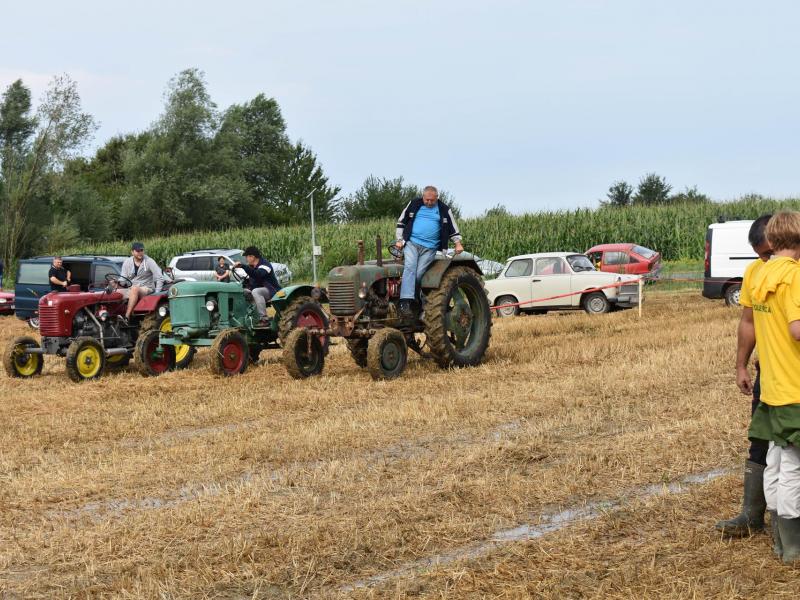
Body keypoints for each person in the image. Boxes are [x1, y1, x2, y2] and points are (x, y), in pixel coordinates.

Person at [746, 211, 800, 564]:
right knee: (794, 466)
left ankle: (780, 543)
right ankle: (794, 548)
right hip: (795, 387)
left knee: (776, 463)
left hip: (771, 387)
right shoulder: (794, 277)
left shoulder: (761, 273)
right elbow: (797, 329)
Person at [716, 215, 773, 537]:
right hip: (769, 373)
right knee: (760, 443)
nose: (766, 261)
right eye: (761, 255)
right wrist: (741, 364)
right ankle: (751, 516)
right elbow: (748, 322)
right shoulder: (755, 273)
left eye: (769, 253)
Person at [394, 185, 463, 316]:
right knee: (410, 267)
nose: (429, 202)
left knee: (419, 273)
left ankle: (417, 300)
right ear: (423, 197)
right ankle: (405, 302)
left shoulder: (443, 209)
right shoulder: (414, 204)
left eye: (432, 200)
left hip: (430, 248)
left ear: (437, 197)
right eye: (427, 200)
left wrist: (457, 243)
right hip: (411, 243)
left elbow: (453, 228)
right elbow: (402, 221)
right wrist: (399, 239)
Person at [234, 246, 282, 322]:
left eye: (247, 257)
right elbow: (253, 280)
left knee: (256, 291)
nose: (246, 259)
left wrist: (243, 266)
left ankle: (264, 318)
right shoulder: (252, 266)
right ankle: (248, 318)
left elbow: (257, 275)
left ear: (252, 257)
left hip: (272, 290)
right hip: (260, 289)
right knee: (243, 292)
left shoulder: (265, 265)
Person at [119, 242, 164, 321]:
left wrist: (157, 293)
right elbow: (122, 279)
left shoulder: (149, 261)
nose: (140, 253)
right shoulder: (127, 262)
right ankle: (110, 316)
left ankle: (126, 317)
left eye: (141, 250)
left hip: (146, 288)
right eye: (138, 251)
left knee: (135, 289)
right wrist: (116, 283)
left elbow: (160, 277)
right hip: (132, 288)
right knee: (115, 292)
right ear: (132, 252)